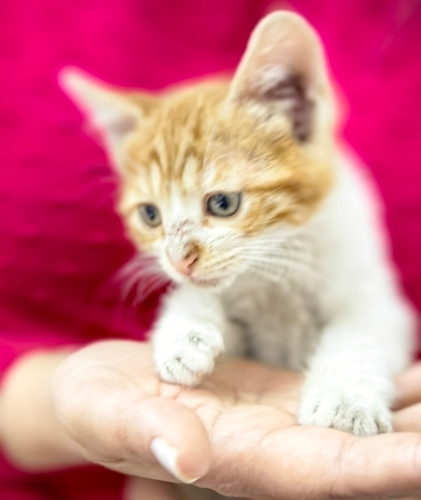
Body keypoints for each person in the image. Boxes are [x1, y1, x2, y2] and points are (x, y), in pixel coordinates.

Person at [0, 0, 420, 498]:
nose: (180, 259)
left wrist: (349, 380)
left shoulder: (340, 203)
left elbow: (373, 314)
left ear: (298, 112)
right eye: (152, 216)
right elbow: (202, 304)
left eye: (221, 203)